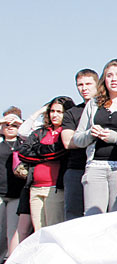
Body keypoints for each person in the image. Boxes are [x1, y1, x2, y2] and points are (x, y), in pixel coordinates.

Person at [72, 59, 117, 216]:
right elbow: (77, 138)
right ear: (104, 79)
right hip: (95, 167)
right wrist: (90, 134)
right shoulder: (93, 104)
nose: (113, 79)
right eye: (109, 75)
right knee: (92, 217)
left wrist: (116, 137)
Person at [18, 95, 75, 230]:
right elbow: (22, 152)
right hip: (35, 187)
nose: (54, 115)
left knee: (53, 230)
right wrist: (43, 154)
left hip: (55, 188)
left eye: (59, 112)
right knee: (38, 231)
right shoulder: (40, 132)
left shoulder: (67, 132)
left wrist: (37, 150)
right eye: (52, 111)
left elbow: (58, 151)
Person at [61, 69, 99, 220]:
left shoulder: (108, 109)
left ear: (98, 84)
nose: (84, 88)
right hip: (76, 168)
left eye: (88, 83)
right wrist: (93, 135)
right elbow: (68, 142)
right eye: (80, 85)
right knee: (73, 216)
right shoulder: (72, 112)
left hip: (103, 165)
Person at [0, 111, 25, 261]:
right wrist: (2, 121)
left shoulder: (24, 142)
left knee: (13, 229)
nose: (10, 127)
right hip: (0, 192)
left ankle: (10, 258)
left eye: (14, 125)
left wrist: (20, 124)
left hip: (17, 192)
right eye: (7, 125)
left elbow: (34, 132)